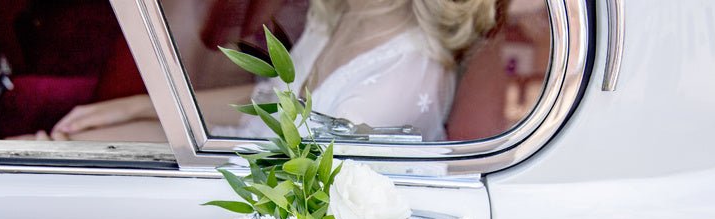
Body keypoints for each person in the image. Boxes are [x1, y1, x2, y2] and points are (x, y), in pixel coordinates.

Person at [47, 0, 496, 142]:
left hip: (273, 210)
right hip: (252, 155)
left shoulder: (407, 71)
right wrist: (134, 108)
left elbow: (299, 190)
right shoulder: (335, 15)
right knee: (69, 142)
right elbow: (270, 102)